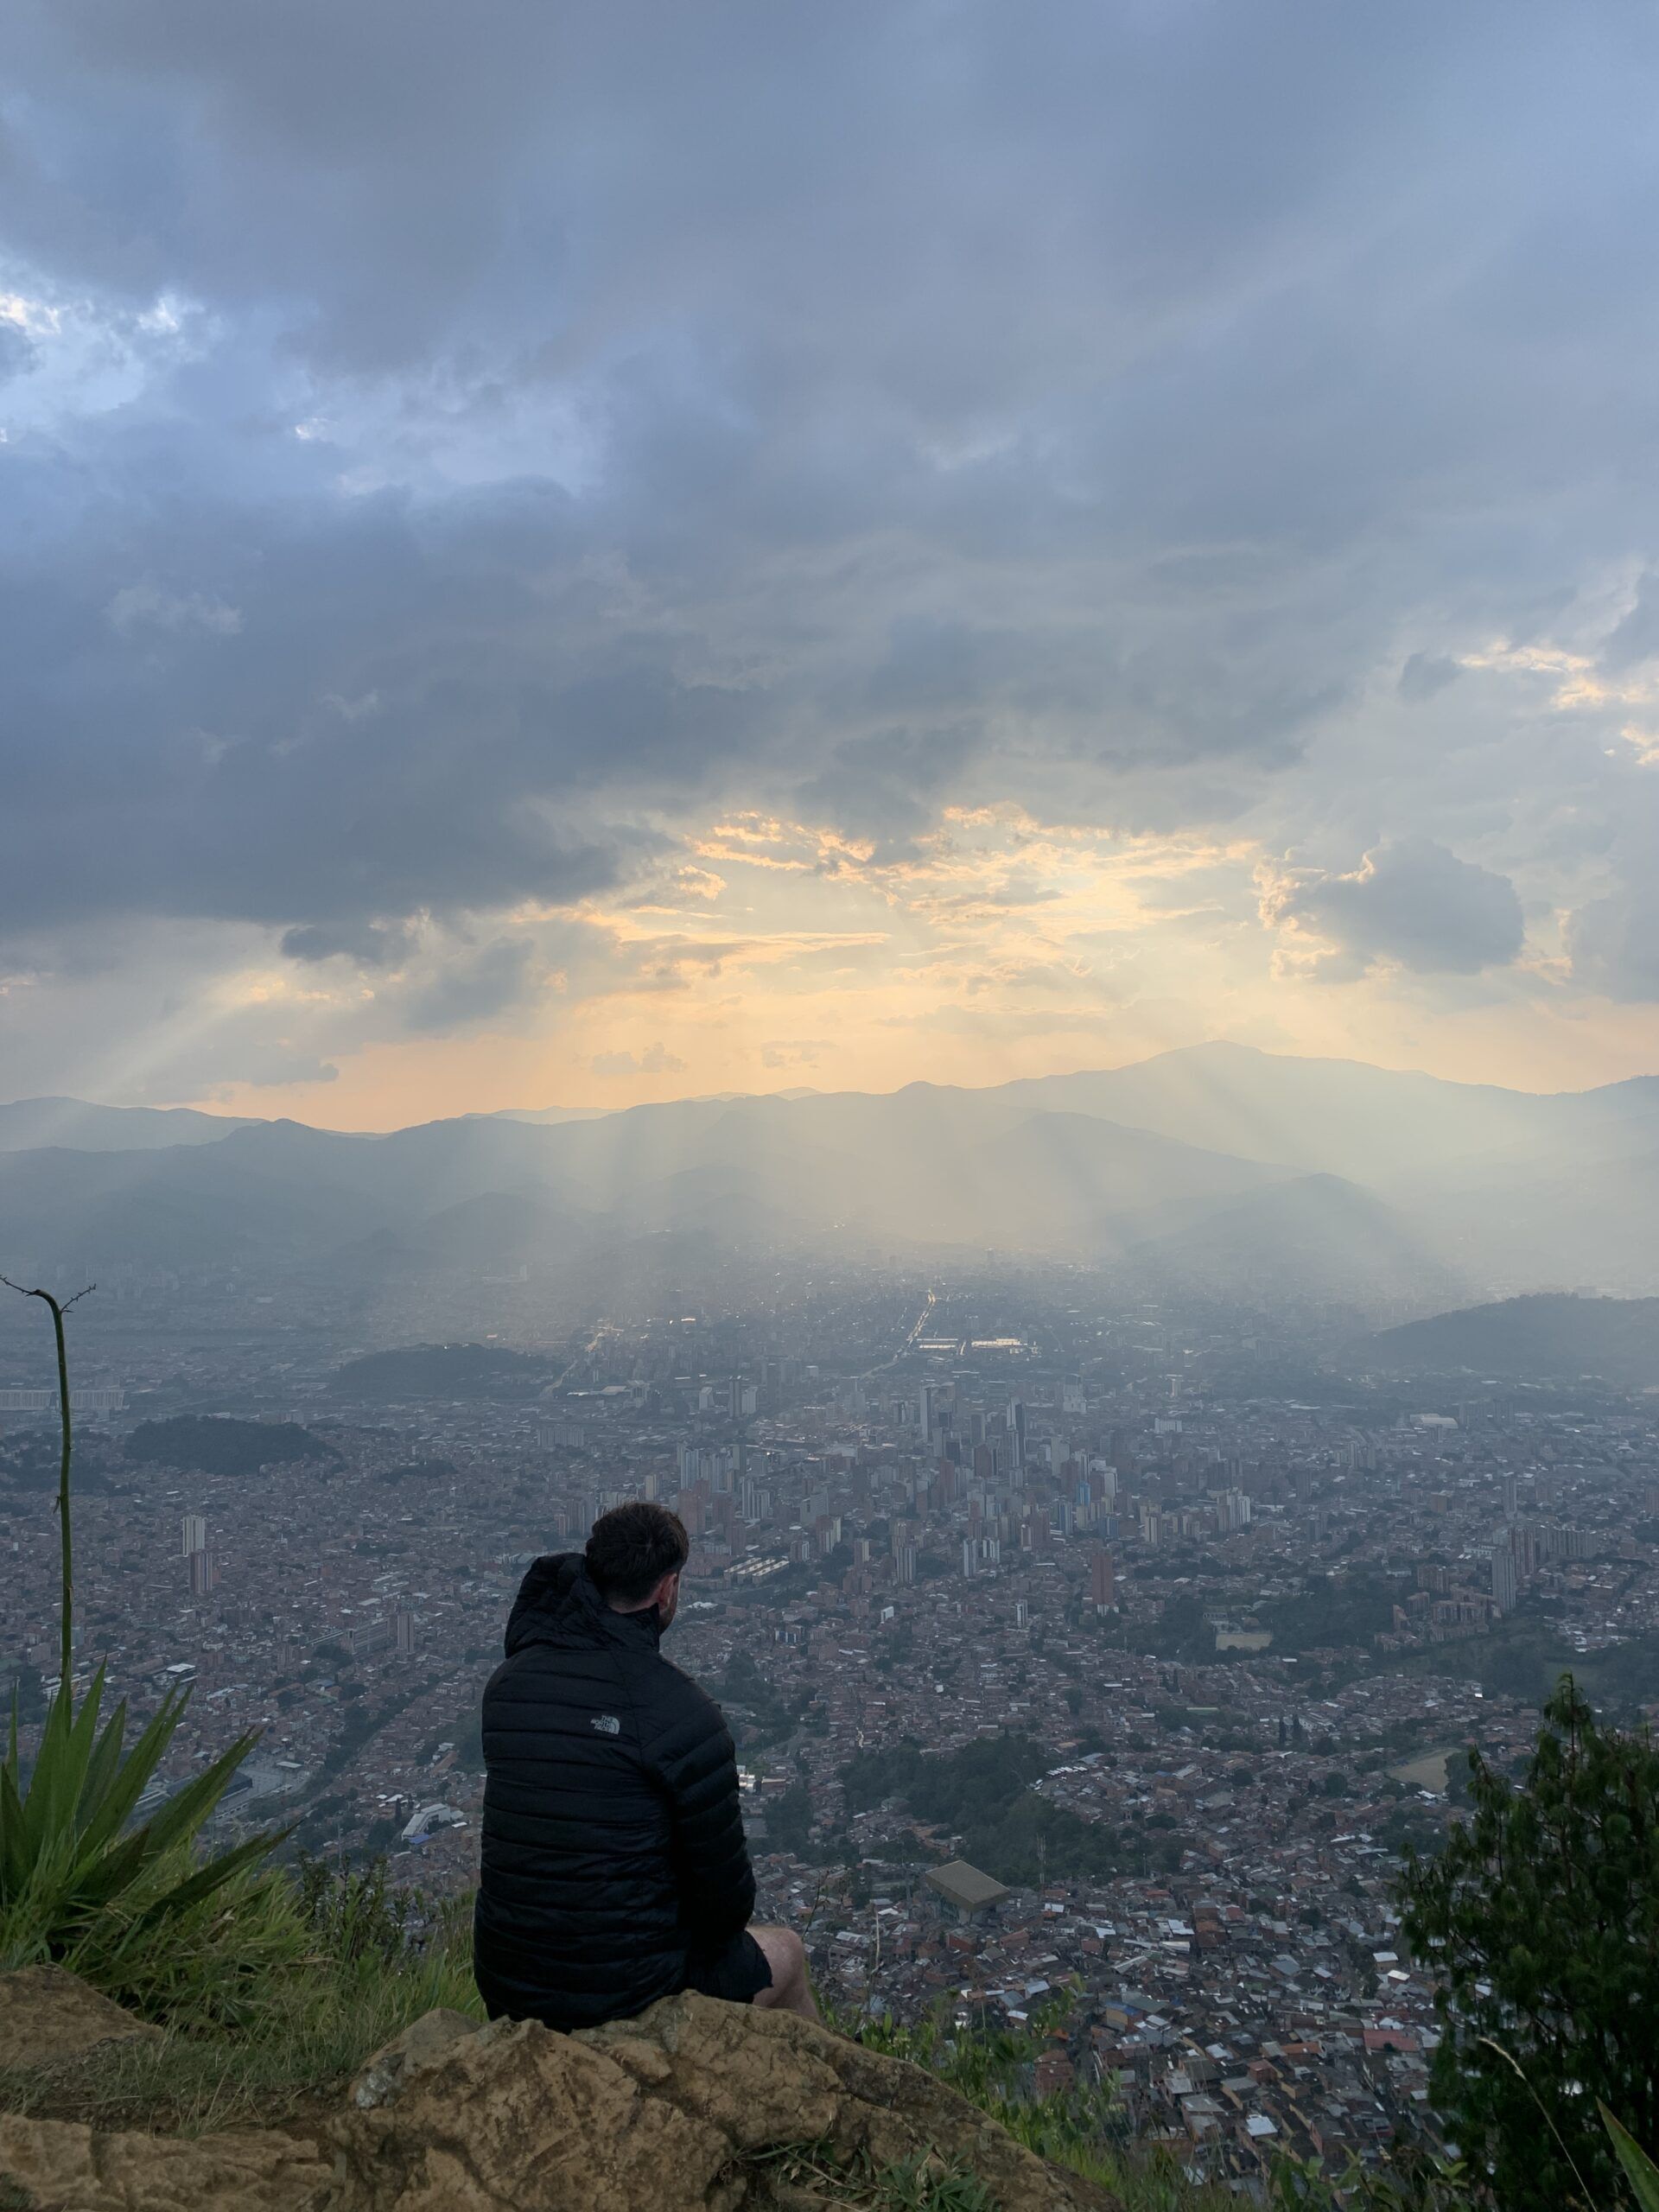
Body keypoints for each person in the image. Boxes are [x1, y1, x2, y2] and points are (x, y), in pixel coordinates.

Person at [473, 1499, 817, 2031]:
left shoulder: (508, 1686)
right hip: (627, 1998)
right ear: (667, 1590)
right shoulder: (683, 1715)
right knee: (787, 1953)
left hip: (508, 1984)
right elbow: (727, 1909)